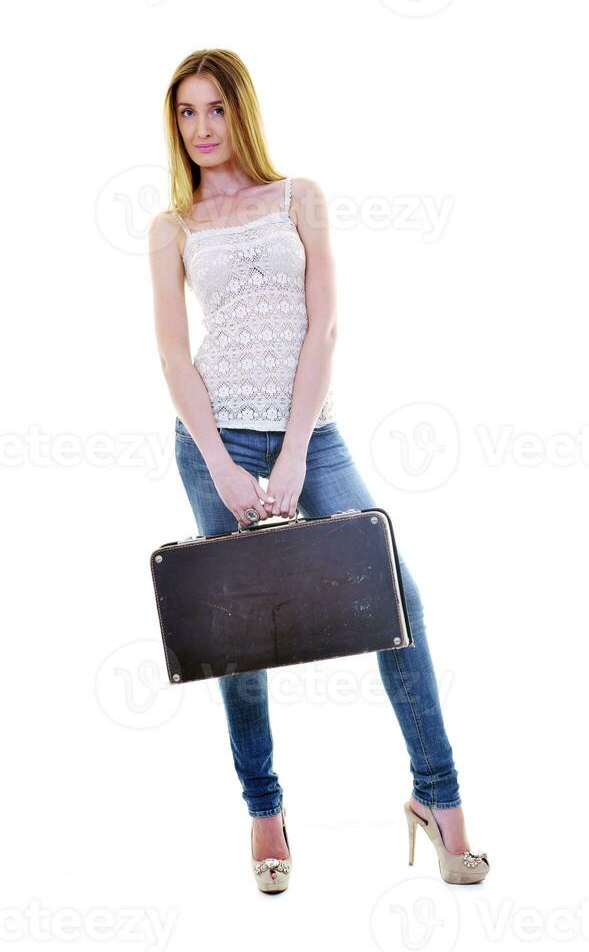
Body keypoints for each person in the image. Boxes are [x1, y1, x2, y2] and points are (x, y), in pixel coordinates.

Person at [148, 48, 489, 893]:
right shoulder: (173, 226)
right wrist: (225, 467)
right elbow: (172, 353)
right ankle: (265, 812)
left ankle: (438, 801)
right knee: (237, 637)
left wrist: (297, 449)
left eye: (215, 110)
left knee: (396, 599)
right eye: (186, 113)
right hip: (214, 443)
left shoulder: (300, 197)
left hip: (314, 437)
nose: (201, 129)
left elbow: (325, 327)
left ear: (242, 112)